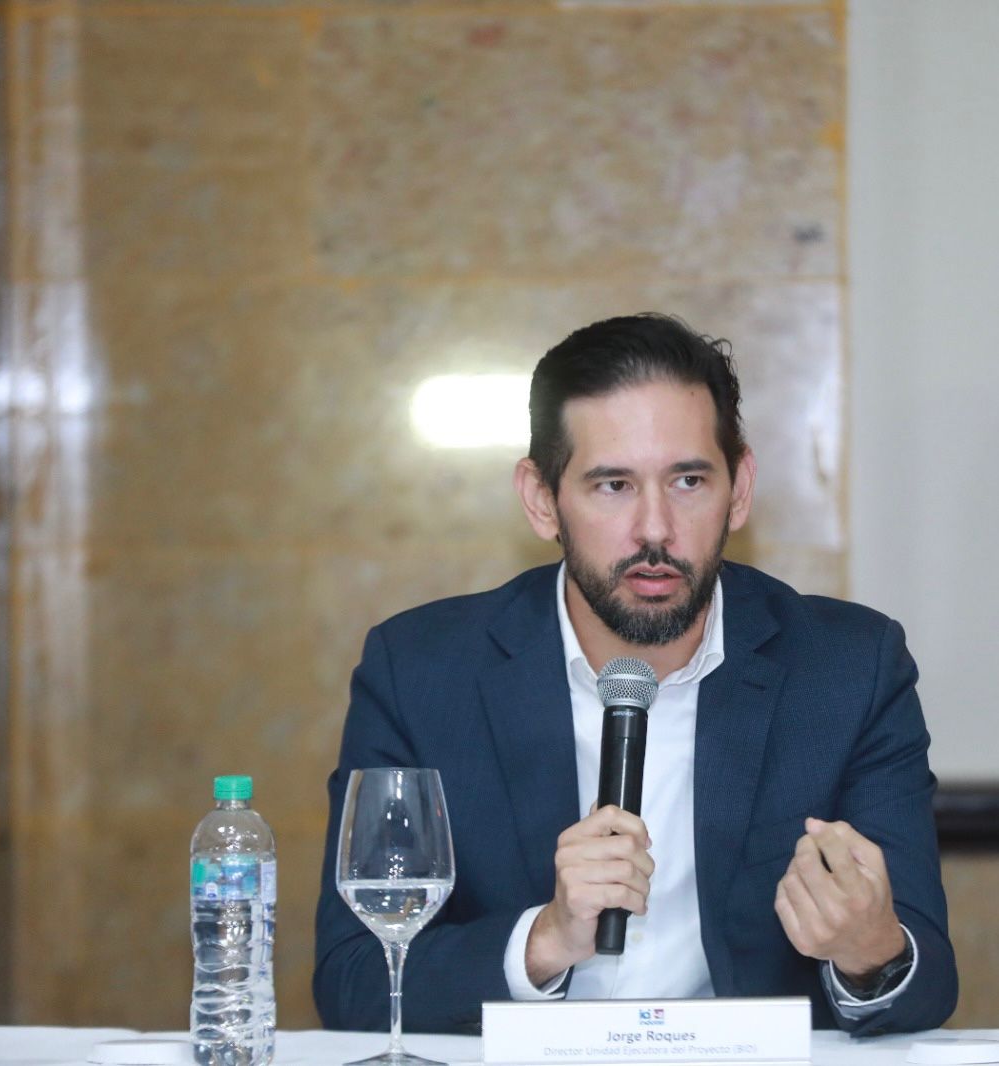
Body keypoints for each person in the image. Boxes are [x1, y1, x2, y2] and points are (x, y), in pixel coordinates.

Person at [313, 313, 957, 1036]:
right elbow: (353, 980)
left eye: (688, 480)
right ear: (542, 499)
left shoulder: (848, 668)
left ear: (740, 489)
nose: (655, 530)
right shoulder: (421, 672)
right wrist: (545, 939)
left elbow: (927, 977)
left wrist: (870, 950)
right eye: (614, 484)